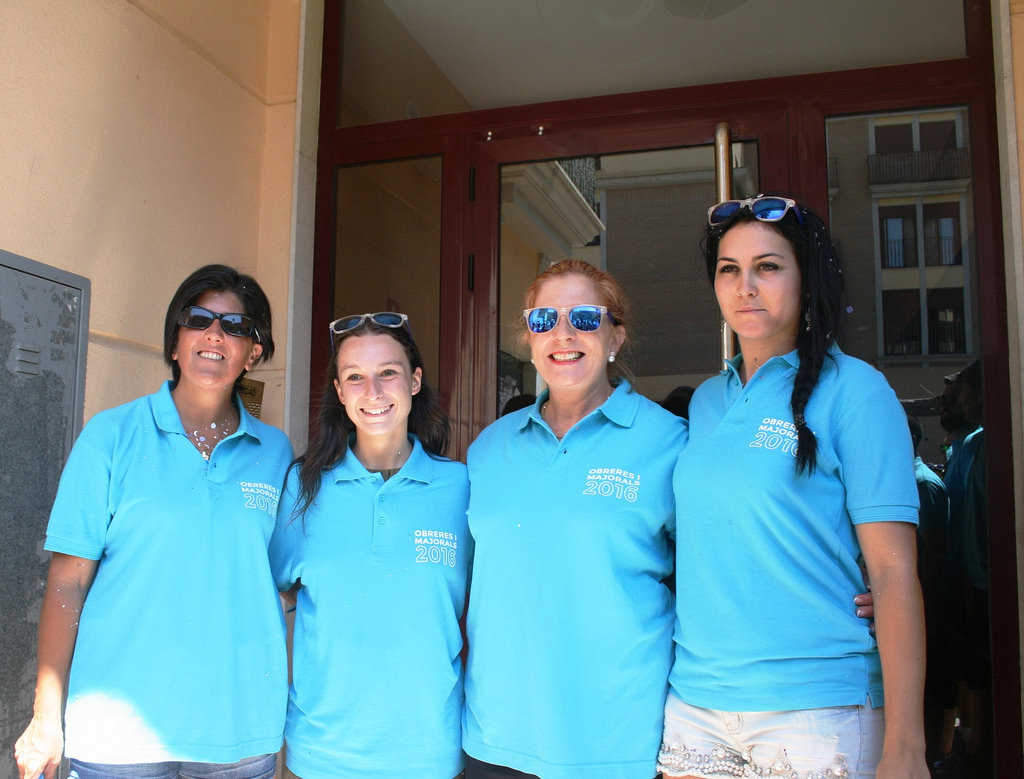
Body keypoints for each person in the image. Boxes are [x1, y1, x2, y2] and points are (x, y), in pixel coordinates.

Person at [660, 196, 927, 779]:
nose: (746, 286)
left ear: (806, 280)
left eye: (769, 266)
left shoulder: (857, 391)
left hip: (816, 711)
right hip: (696, 706)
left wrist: (906, 749)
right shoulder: (706, 402)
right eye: (729, 269)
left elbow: (893, 574)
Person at [15, 265, 293, 779]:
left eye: (235, 326)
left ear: (254, 352)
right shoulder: (111, 435)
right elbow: (67, 582)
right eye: (199, 319)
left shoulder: (275, 452)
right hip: (118, 734)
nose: (215, 334)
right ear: (175, 342)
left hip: (236, 730)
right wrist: (45, 717)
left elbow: (286, 579)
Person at [462, 259, 688, 779]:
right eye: (544, 319)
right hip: (497, 737)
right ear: (529, 338)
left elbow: (715, 578)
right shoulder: (488, 449)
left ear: (616, 337)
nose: (563, 333)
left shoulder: (668, 442)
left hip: (618, 739)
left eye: (585, 317)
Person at [269, 312, 470, 779]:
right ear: (339, 392)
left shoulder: (461, 488)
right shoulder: (302, 488)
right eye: (355, 377)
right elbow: (276, 596)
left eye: (388, 372)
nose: (373, 391)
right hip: (320, 754)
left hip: (430, 753)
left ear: (415, 381)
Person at [936, 360, 989, 778]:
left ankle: (981, 751)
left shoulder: (985, 445)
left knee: (982, 671)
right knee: (967, 670)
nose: (955, 403)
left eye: (962, 394)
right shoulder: (966, 448)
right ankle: (968, 748)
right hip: (963, 578)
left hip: (985, 582)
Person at [905, 414, 954, 769]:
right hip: (921, 600)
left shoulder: (922, 485)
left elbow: (928, 557)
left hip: (928, 603)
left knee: (931, 690)